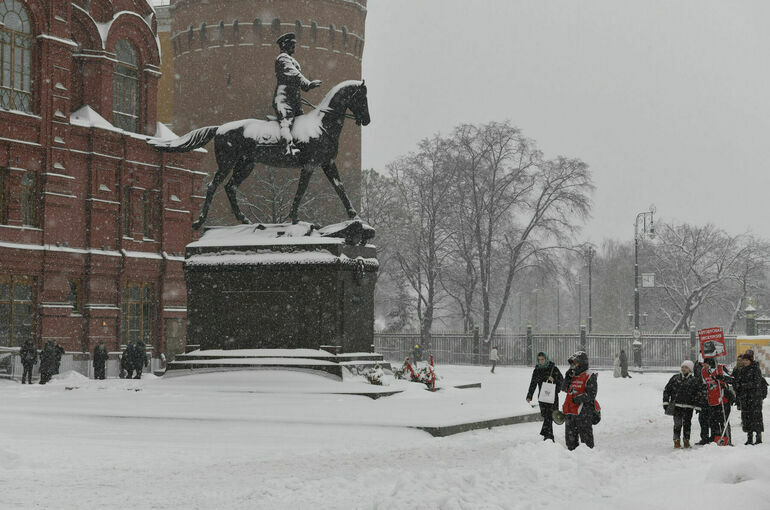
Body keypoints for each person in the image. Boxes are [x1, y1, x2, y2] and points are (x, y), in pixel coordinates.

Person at [272, 32, 322, 156]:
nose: (294, 46)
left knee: (302, 123)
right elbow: (294, 74)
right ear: (285, 45)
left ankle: (305, 148)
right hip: (284, 99)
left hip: (294, 100)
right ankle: (288, 149)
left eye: (294, 44)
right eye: (291, 44)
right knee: (286, 121)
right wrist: (308, 84)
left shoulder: (291, 59)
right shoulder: (283, 58)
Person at [561, 351, 598, 450]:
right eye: (573, 363)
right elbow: (564, 389)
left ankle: (589, 459)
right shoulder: (572, 375)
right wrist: (567, 377)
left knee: (586, 442)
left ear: (582, 363)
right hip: (570, 412)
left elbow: (591, 394)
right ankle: (572, 458)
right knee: (570, 441)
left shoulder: (589, 375)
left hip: (583, 413)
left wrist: (578, 399)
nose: (574, 365)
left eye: (576, 363)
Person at [663, 360, 702, 448]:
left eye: (686, 367)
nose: (684, 369)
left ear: (690, 370)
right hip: (676, 406)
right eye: (682, 367)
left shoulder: (694, 380)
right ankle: (676, 441)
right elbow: (667, 390)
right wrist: (666, 402)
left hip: (689, 407)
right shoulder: (675, 378)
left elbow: (698, 394)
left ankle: (686, 440)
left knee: (687, 424)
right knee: (677, 424)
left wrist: (698, 405)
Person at [526, 352, 564, 442]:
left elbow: (562, 382)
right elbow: (533, 383)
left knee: (549, 416)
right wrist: (529, 395)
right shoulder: (537, 370)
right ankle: (547, 435)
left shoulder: (554, 369)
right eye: (539, 359)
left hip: (552, 397)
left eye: (543, 359)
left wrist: (554, 380)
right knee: (546, 416)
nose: (541, 361)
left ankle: (548, 436)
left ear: (546, 359)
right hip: (542, 397)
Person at [733, 350, 766, 445]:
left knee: (756, 417)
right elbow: (738, 382)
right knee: (746, 417)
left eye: (747, 360)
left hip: (754, 398)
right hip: (745, 398)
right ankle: (749, 437)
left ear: (750, 360)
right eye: (744, 360)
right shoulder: (742, 370)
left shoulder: (756, 369)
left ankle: (758, 437)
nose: (745, 362)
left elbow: (756, 383)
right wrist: (738, 386)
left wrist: (745, 385)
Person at [700, 357, 733, 444]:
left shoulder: (720, 369)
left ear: (710, 363)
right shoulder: (703, 371)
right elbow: (704, 384)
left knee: (724, 421)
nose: (704, 365)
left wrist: (722, 378)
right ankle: (715, 438)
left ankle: (727, 438)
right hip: (712, 400)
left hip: (723, 400)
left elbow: (732, 379)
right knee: (713, 421)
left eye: (706, 363)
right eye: (704, 363)